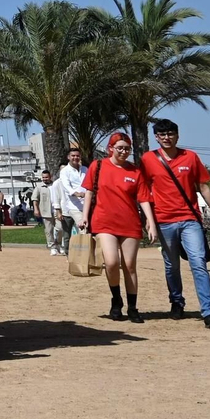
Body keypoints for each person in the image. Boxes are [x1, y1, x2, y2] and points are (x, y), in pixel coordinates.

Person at [140, 119, 210, 330]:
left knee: (198, 262)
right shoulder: (148, 159)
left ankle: (209, 311)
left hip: (190, 219)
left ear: (177, 135)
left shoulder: (190, 157)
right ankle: (176, 301)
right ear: (156, 137)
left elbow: (204, 187)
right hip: (164, 220)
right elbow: (143, 192)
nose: (166, 138)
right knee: (171, 265)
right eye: (162, 135)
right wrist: (148, 221)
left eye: (170, 134)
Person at [81, 133, 157, 323]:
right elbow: (89, 192)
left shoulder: (135, 172)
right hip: (104, 222)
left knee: (130, 266)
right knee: (112, 262)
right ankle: (116, 300)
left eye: (127, 149)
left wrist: (151, 222)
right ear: (111, 148)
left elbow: (144, 199)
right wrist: (84, 217)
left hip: (129, 223)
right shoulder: (97, 166)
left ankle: (133, 307)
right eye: (120, 148)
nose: (123, 152)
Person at [54, 148, 86, 240]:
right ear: (68, 157)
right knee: (83, 229)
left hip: (87, 204)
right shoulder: (65, 171)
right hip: (74, 206)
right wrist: (77, 194)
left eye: (77, 156)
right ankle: (81, 251)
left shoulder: (85, 169)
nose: (75, 157)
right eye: (73, 156)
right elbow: (66, 187)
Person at [34, 170, 62, 255]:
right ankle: (52, 247)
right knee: (49, 231)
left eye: (46, 177)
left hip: (57, 211)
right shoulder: (39, 187)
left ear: (50, 177)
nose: (45, 179)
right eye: (43, 177)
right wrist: (36, 209)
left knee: (60, 228)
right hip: (46, 212)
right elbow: (35, 199)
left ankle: (58, 244)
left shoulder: (56, 185)